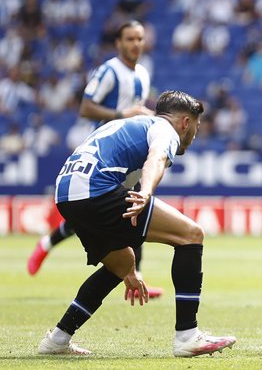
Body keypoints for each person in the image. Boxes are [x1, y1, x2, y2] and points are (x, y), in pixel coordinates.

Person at [38, 90, 236, 356]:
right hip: (94, 189)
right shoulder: (165, 130)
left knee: (121, 263)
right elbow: (156, 158)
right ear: (185, 123)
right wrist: (146, 192)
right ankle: (187, 336)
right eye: (197, 126)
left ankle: (58, 339)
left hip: (66, 194)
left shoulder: (130, 125)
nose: (195, 134)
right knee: (191, 234)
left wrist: (129, 268)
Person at [27, 20, 163, 299]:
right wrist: (123, 115)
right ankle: (47, 243)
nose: (136, 44)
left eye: (139, 39)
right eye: (130, 39)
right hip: (105, 153)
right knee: (99, 211)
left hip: (131, 153)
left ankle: (137, 276)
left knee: (134, 208)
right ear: (118, 43)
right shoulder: (109, 70)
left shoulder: (143, 74)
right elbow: (86, 107)